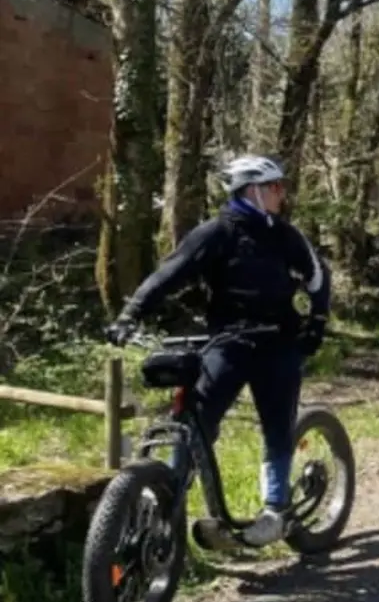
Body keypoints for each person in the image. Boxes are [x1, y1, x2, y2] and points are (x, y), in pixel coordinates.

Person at [105, 155, 331, 546]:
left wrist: (318, 322)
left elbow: (317, 277)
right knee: (196, 425)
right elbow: (168, 274)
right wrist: (130, 314)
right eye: (276, 186)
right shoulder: (215, 233)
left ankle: (275, 511)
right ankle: (165, 505)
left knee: (278, 428)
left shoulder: (285, 235)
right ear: (254, 190)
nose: (282, 193)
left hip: (279, 343)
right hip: (228, 342)